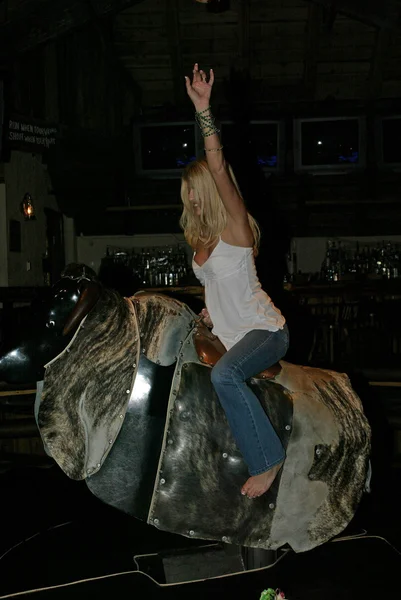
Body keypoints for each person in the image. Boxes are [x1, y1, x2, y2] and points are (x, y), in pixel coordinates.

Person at [180, 64, 289, 499]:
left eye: (194, 189)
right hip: (230, 334)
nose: (189, 198)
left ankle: (269, 458)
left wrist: (204, 111)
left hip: (265, 330)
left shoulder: (236, 228)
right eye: (184, 191)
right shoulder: (200, 242)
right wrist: (212, 310)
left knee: (224, 377)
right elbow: (218, 285)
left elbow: (219, 167)